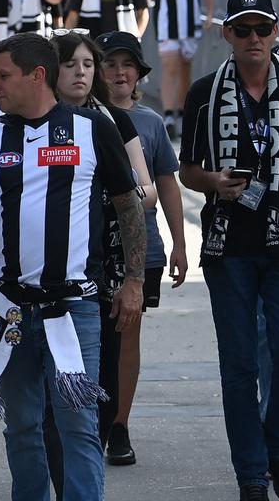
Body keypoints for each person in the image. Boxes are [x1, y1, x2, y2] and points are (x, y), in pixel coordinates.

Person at [0, 32, 145, 501]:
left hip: (74, 306)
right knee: (21, 427)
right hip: (8, 306)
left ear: (37, 76)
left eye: (3, 76)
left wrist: (133, 281)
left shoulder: (93, 128)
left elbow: (129, 206)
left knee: (79, 427)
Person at [178, 0, 279, 501]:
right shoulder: (205, 92)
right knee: (239, 366)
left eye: (263, 29)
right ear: (225, 33)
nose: (254, 39)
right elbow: (186, 169)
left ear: (277, 33)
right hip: (227, 244)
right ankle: (252, 476)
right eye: (243, 29)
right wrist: (212, 181)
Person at [43, 30, 157, 494]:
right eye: (72, 64)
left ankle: (103, 437)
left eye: (89, 65)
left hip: (105, 268)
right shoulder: (30, 120)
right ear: (50, 70)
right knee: (54, 395)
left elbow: (146, 191)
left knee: (103, 387)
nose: (82, 73)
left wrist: (109, 191)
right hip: (46, 276)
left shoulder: (110, 122)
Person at [98, 30, 189, 466]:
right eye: (109, 63)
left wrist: (180, 245)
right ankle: (87, 422)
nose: (119, 72)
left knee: (126, 337)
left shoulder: (150, 122)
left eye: (127, 64)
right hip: (90, 249)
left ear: (139, 74)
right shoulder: (79, 118)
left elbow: (168, 188)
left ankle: (119, 423)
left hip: (141, 250)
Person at [144, 0, 218, 140]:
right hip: (167, 24)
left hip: (191, 23)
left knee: (185, 68)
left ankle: (182, 112)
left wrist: (209, 12)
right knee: (170, 67)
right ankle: (167, 116)